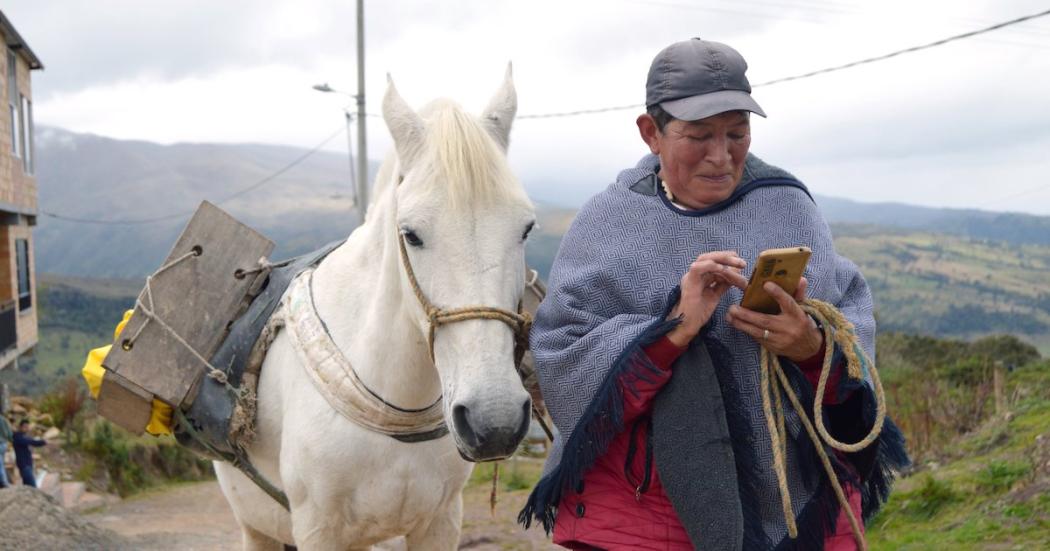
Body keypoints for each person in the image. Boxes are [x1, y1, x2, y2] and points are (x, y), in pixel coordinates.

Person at [519, 38, 908, 550]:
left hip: (793, 502)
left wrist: (810, 348)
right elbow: (562, 360)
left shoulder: (789, 208)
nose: (721, 157)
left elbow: (850, 342)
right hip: (642, 508)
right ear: (650, 133)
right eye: (699, 136)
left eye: (737, 134)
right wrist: (675, 326)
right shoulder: (607, 221)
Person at [12, 420, 45, 487]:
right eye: (25, 427)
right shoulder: (17, 437)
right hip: (24, 465)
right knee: (33, 487)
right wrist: (43, 442)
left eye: (27, 427)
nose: (26, 429)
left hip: (28, 464)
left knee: (27, 487)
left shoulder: (24, 436)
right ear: (20, 427)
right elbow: (33, 442)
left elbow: (32, 442)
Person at [0, 414, 12, 488]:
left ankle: (4, 482)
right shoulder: (4, 419)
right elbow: (10, 433)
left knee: (0, 464)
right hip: (4, 444)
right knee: (1, 463)